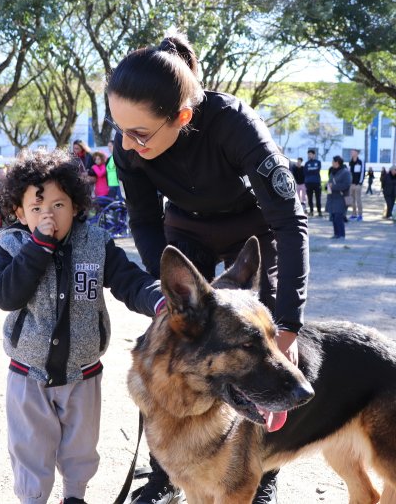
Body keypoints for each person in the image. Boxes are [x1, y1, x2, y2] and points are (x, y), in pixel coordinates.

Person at [108, 31, 308, 504]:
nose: (128, 145)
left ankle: (263, 470)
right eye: (118, 129)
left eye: (140, 133)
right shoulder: (128, 146)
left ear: (181, 116)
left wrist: (290, 324)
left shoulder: (234, 124)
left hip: (251, 228)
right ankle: (163, 474)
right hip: (187, 231)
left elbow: (290, 222)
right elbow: (142, 218)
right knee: (167, 348)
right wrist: (167, 295)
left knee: (268, 351)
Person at [0, 151, 164, 504]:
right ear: (19, 213)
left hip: (83, 372)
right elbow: (4, 294)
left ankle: (75, 496)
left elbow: (129, 281)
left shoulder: (95, 244)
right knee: (31, 447)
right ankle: (33, 497)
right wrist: (38, 248)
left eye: (59, 205)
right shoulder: (13, 244)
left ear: (77, 206)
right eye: (36, 209)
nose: (48, 215)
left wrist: (159, 300)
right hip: (28, 374)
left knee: (81, 445)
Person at [326, 155, 351, 239]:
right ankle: (336, 234)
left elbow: (346, 185)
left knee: (338, 216)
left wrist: (333, 186)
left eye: (333, 161)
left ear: (337, 162)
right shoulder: (332, 171)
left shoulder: (345, 172)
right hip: (332, 198)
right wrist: (327, 187)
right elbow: (329, 182)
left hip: (341, 198)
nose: (332, 163)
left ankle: (341, 234)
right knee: (333, 216)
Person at [304, 148, 322, 216]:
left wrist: (311, 170)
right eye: (308, 154)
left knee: (318, 197)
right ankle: (311, 211)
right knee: (310, 198)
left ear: (314, 155)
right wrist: (312, 170)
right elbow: (305, 172)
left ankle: (319, 211)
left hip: (317, 182)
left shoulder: (318, 162)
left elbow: (317, 171)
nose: (309, 156)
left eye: (311, 154)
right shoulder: (307, 163)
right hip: (308, 182)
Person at [347, 149, 365, 220]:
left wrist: (360, 183)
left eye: (353, 152)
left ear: (357, 153)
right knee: (352, 200)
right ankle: (354, 214)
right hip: (351, 184)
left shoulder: (361, 162)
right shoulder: (350, 162)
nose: (352, 153)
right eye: (351, 152)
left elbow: (362, 173)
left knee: (358, 200)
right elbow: (349, 172)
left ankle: (360, 215)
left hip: (358, 184)